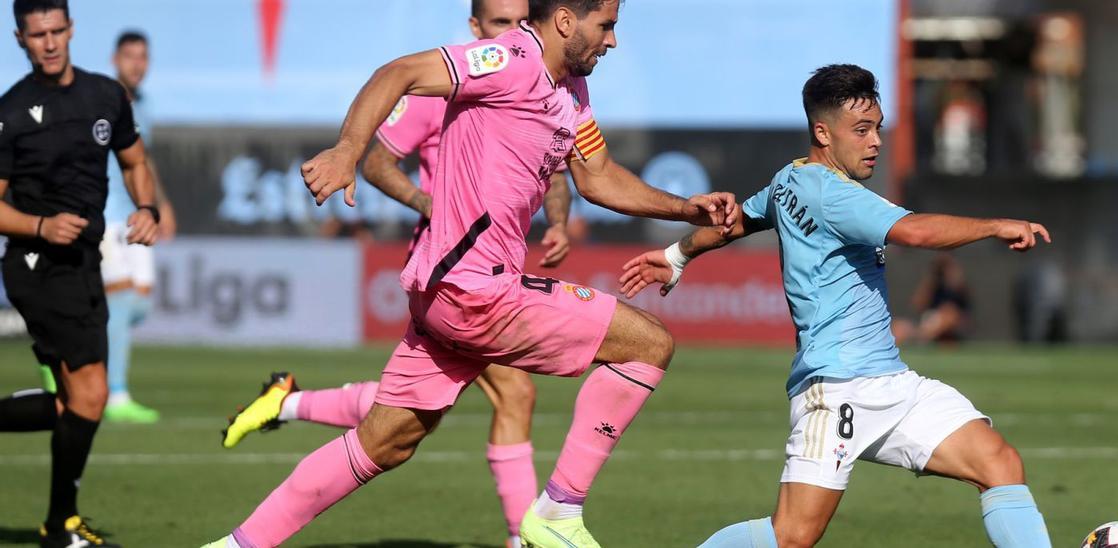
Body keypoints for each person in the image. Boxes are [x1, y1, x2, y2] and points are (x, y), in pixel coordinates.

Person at [202, 1, 737, 547]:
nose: (613, 42)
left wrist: (686, 210)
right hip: (475, 290)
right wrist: (347, 150)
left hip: (450, 295)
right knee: (648, 344)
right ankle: (557, 512)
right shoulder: (509, 60)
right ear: (566, 22)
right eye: (608, 26)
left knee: (384, 442)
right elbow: (398, 72)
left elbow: (598, 177)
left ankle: (238, 544)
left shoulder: (572, 93)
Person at [618, 64, 1053, 548]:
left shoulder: (791, 179)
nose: (876, 142)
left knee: (999, 463)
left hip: (892, 384)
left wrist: (678, 254)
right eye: (862, 130)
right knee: (792, 536)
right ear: (823, 132)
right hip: (838, 389)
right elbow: (917, 232)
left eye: (878, 128)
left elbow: (738, 221)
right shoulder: (835, 195)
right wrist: (995, 226)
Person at [218, 2, 572, 546]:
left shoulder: (535, 84)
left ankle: (284, 404)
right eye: (500, 23)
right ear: (476, 28)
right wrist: (427, 202)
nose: (514, 33)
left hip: (496, 264)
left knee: (405, 410)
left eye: (520, 20)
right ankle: (522, 536)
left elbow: (552, 158)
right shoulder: (456, 83)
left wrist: (561, 222)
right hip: (454, 266)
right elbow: (380, 161)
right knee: (512, 396)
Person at [0, 1, 159, 546]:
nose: (48, 42)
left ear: (71, 31)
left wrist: (148, 209)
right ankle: (61, 525)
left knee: (77, 402)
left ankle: (59, 524)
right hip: (36, 266)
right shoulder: (11, 112)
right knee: (90, 396)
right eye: (35, 34)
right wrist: (40, 227)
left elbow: (135, 162)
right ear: (20, 39)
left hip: (85, 264)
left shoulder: (105, 96)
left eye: (56, 31)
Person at [97, 29, 177, 423]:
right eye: (130, 56)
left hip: (138, 215)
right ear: (115, 59)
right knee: (122, 299)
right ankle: (114, 394)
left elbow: (141, 160)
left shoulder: (144, 105)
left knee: (139, 304)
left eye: (143, 57)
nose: (137, 64)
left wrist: (160, 204)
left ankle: (80, 356)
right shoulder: (99, 100)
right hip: (106, 215)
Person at [891, 252, 971, 344]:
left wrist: (952, 272)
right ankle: (919, 337)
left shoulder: (958, 284)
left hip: (953, 321)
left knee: (949, 312)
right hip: (930, 321)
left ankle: (920, 339)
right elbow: (918, 304)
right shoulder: (933, 282)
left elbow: (963, 304)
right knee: (898, 327)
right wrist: (932, 276)